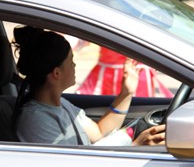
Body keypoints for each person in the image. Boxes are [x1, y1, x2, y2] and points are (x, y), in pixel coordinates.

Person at [12, 25, 165, 146]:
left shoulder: (62, 105)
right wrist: (135, 147)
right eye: (71, 62)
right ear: (56, 73)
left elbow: (99, 133)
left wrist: (126, 93)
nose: (75, 65)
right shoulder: (35, 119)